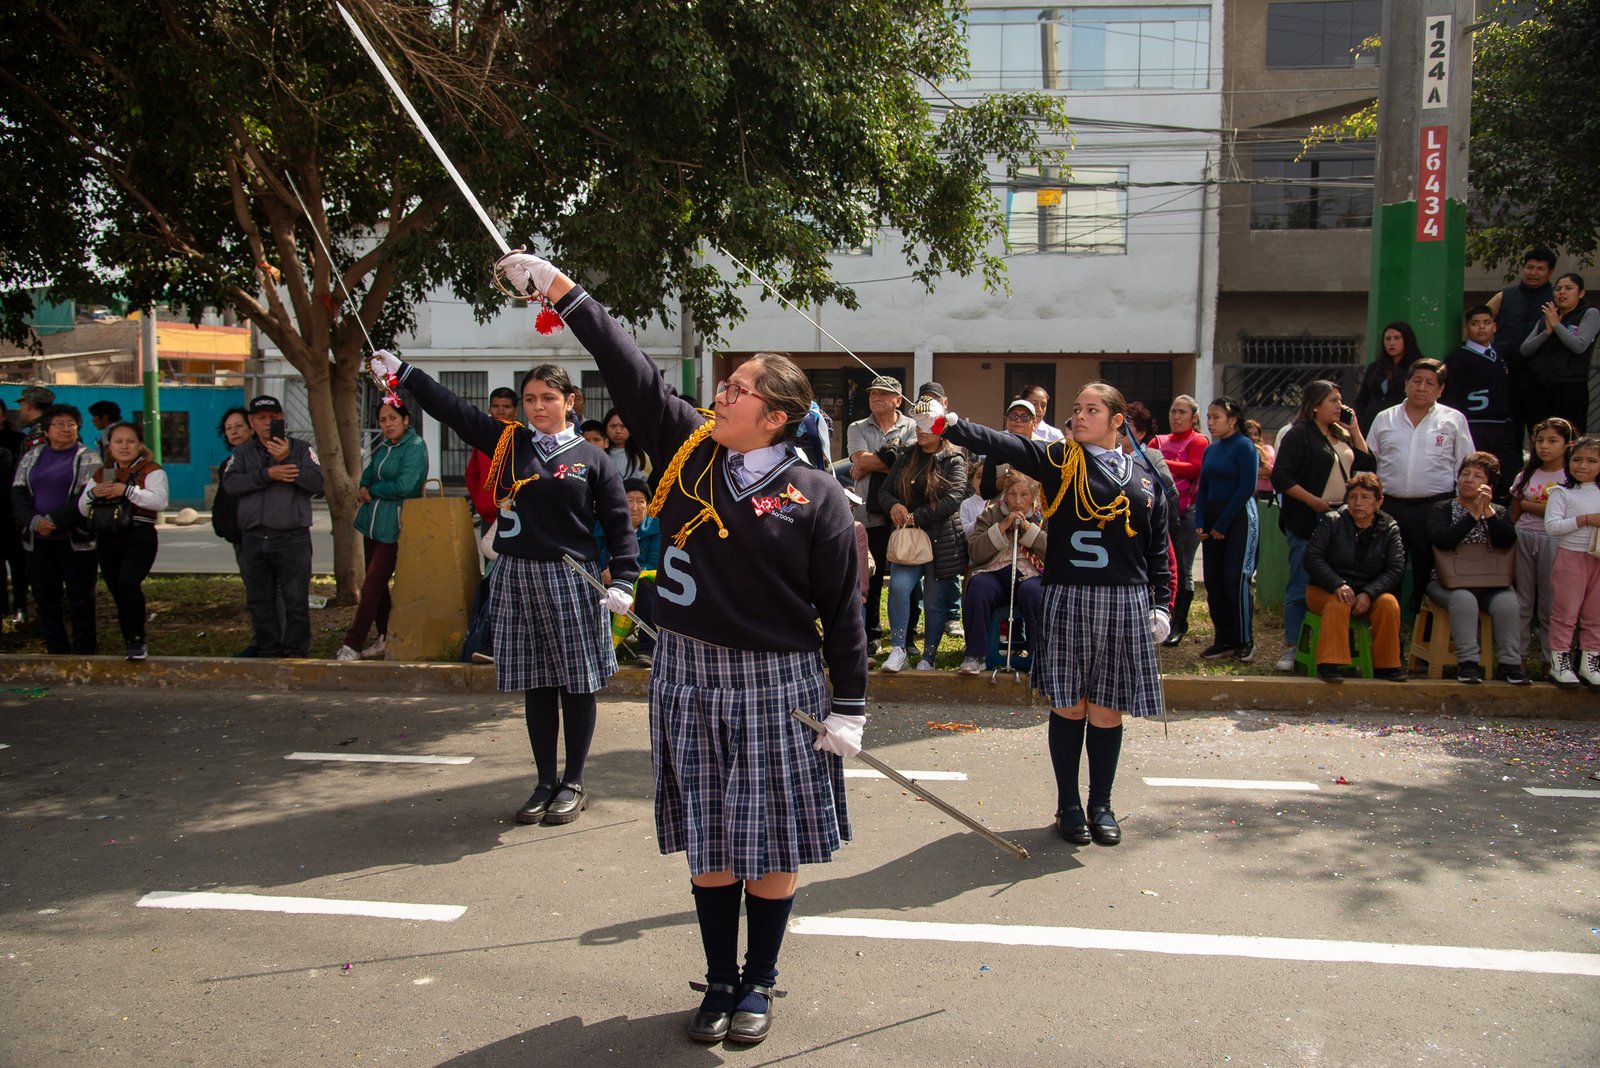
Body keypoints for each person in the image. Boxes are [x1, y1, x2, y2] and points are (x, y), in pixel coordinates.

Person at [494, 250, 866, 1048]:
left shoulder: (819, 495)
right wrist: (561, 288)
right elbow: (629, 369)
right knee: (710, 835)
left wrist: (851, 707)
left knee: (766, 839)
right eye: (723, 385)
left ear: (776, 416)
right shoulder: (693, 452)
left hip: (779, 683)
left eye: (737, 391)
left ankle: (759, 980)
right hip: (687, 674)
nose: (720, 395)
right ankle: (719, 979)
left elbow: (843, 611)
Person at [381, 354, 638, 827]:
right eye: (529, 400)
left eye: (548, 398)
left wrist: (624, 578)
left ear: (570, 401)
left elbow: (620, 525)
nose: (538, 408)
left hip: (570, 577)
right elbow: (454, 410)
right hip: (516, 574)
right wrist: (407, 373)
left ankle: (574, 780)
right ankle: (544, 781)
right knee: (537, 683)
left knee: (575, 683)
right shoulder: (508, 443)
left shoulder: (592, 458)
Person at [936, 382, 1170, 849]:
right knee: (1070, 705)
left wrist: (1161, 605)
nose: (1079, 416)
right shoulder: (1063, 462)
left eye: (1092, 410)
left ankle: (1101, 804)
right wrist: (955, 425)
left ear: (1117, 420)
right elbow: (1009, 444)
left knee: (1106, 711)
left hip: (1124, 602)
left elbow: (1158, 550)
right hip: (1069, 595)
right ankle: (1068, 805)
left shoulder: (1146, 479)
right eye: (1077, 409)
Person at [1269, 381, 1375, 672]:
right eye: (1332, 400)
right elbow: (1281, 477)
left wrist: (1354, 429)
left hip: (1343, 519)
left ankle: (1335, 645)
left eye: (1340, 400)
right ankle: (1292, 645)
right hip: (1309, 517)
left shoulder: (1340, 434)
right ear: (1315, 404)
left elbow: (1366, 466)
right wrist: (1313, 501)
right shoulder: (1299, 435)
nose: (1338, 406)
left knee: (1340, 580)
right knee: (1301, 580)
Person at [1367, 359, 1476, 614]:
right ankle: (1389, 633)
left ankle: (1423, 634)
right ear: (1406, 384)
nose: (1421, 387)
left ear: (1440, 390)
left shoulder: (1453, 420)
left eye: (1430, 383)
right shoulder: (1385, 418)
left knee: (1428, 571)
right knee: (1387, 568)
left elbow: (1465, 464)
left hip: (1434, 508)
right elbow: (1369, 464)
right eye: (1416, 381)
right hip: (1390, 507)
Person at [222, 395, 324, 658]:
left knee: (295, 600)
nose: (268, 423)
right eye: (261, 418)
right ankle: (268, 650)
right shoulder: (242, 453)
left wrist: (288, 460)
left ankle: (295, 651)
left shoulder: (301, 449)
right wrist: (267, 475)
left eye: (273, 418)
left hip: (292, 538)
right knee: (259, 601)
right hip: (254, 537)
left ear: (282, 420)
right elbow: (231, 484)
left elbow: (318, 483)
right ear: (251, 423)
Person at [878, 402, 968, 672]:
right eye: (917, 424)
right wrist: (893, 505)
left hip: (942, 540)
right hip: (909, 540)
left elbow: (953, 499)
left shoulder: (955, 458)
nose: (921, 430)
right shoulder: (906, 455)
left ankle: (929, 656)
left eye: (927, 425)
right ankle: (897, 648)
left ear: (942, 427)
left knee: (933, 601)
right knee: (898, 588)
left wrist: (918, 516)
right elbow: (884, 491)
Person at [335, 401, 427, 662]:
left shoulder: (415, 447)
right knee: (379, 587)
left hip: (393, 525)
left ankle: (352, 644)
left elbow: (406, 485)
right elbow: (368, 473)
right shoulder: (384, 446)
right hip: (371, 523)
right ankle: (385, 637)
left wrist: (374, 490)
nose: (387, 424)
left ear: (406, 420)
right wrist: (365, 485)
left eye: (392, 418)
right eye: (383, 420)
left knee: (371, 585)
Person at [1425, 452, 1524, 685]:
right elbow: (1442, 541)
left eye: (1477, 476)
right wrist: (1472, 515)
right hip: (1446, 582)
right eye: (1464, 474)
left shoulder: (1498, 512)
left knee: (1508, 602)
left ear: (1489, 485)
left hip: (1491, 582)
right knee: (1464, 599)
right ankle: (1468, 663)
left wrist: (1487, 513)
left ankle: (1510, 664)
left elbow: (1507, 540)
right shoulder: (1443, 508)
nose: (1468, 480)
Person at [10, 404, 99, 653]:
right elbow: (18, 492)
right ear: (46, 430)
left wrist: (56, 520)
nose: (66, 429)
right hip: (37, 540)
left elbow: (89, 496)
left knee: (81, 598)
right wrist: (35, 521)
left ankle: (84, 652)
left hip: (76, 540)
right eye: (59, 424)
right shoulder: (32, 455)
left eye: (71, 424)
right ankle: (56, 650)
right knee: (46, 597)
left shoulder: (88, 457)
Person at [1303, 472, 1406, 681]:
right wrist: (1337, 584)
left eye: (1365, 497)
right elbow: (1312, 558)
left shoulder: (1389, 528)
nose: (1358, 503)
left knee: (1389, 604)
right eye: (1353, 497)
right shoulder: (1332, 521)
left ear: (1378, 501)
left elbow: (1395, 568)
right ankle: (1330, 664)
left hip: (1368, 592)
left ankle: (1387, 666)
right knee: (1338, 603)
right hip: (1325, 590)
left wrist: (1370, 593)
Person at [78, 421, 167, 660]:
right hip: (108, 537)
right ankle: (129, 640)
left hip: (140, 535)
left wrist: (126, 490)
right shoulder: (102, 472)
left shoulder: (152, 470)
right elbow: (83, 508)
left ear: (140, 444)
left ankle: (137, 640)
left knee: (128, 583)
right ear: (109, 445)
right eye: (118, 441)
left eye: (130, 441)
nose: (124, 446)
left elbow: (159, 502)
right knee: (118, 591)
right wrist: (93, 494)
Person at [847, 374, 916, 648]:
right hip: (868, 513)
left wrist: (870, 463)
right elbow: (858, 458)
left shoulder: (912, 426)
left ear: (898, 400)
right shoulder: (857, 427)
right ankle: (872, 635)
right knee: (870, 577)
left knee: (908, 577)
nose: (876, 398)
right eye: (872, 393)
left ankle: (908, 636)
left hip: (904, 512)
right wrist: (889, 460)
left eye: (883, 394)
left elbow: (912, 465)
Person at [958, 470, 1046, 675]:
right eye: (1012, 494)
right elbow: (975, 551)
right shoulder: (991, 513)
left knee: (1034, 593)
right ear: (1005, 495)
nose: (1017, 500)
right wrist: (1002, 526)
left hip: (1030, 573)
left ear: (1033, 496)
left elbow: (1054, 553)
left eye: (1024, 495)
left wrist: (1028, 530)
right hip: (996, 571)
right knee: (979, 586)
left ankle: (1040, 656)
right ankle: (975, 655)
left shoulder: (1044, 516)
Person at [1193, 398, 1259, 661]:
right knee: (1214, 581)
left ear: (1232, 420)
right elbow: (1204, 487)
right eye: (1208, 417)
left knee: (1236, 579)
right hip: (1212, 516)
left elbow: (1246, 487)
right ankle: (1223, 639)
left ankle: (1244, 640)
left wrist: (1223, 524)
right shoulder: (1211, 449)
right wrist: (1201, 521)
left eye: (1216, 417)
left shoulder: (1245, 447)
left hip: (1238, 517)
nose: (1210, 423)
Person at [1509, 417, 1575, 671]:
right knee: (1522, 601)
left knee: (1551, 603)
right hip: (1524, 539)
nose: (1544, 446)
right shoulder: (1526, 474)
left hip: (1556, 542)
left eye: (1553, 441)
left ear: (1568, 445)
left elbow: (1563, 513)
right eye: (1540, 441)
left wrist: (1529, 506)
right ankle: (1519, 657)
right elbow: (1515, 509)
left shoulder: (1571, 476)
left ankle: (1551, 660)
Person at [1541, 435, 1600, 687]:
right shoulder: (1561, 492)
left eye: (1591, 461)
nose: (1583, 466)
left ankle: (1590, 663)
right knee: (1566, 614)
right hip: (1570, 559)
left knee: (1595, 615)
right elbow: (1552, 527)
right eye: (1577, 459)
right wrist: (1586, 520)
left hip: (1597, 558)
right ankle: (1559, 664)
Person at [1442, 305, 1519, 499]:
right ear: (1467, 328)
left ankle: (1498, 516)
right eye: (1475, 323)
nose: (1481, 327)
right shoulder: (1456, 359)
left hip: (1502, 426)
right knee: (1475, 475)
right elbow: (1450, 397)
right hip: (1473, 425)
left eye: (1487, 322)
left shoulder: (1501, 356)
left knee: (1507, 475)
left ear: (1495, 326)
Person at [209, 406, 266, 657]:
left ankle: (274, 643)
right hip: (240, 539)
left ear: (251, 428)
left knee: (270, 592)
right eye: (229, 428)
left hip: (262, 536)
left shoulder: (263, 459)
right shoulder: (227, 464)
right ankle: (259, 641)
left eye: (239, 426)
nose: (233, 432)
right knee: (254, 593)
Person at [1488, 247, 1557, 439]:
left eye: (1540, 269)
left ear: (1550, 272)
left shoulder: (1557, 299)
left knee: (1544, 438)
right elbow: (1478, 324)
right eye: (1530, 267)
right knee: (1509, 438)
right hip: (1507, 379)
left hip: (1543, 382)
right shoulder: (1503, 296)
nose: (1533, 273)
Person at [1518, 273, 1598, 433]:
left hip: (1570, 387)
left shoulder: (1590, 313)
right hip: (1542, 387)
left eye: (1569, 288)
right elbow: (1525, 349)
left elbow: (1579, 346)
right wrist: (1546, 333)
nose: (1562, 292)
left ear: (1581, 293)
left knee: (1569, 437)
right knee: (1542, 435)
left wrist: (1556, 325)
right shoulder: (1548, 315)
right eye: (1558, 288)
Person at [1156, 395, 1207, 646]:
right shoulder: (1160, 440)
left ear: (1194, 417)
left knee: (1183, 566)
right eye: (1173, 411)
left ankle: (1179, 622)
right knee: (1163, 566)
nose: (1176, 417)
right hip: (1159, 510)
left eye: (1182, 412)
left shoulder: (1198, 440)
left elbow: (1195, 467)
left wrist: (1162, 462)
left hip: (1187, 512)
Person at [599, 477, 661, 667]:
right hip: (607, 581)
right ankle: (602, 648)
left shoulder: (656, 528)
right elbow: (597, 556)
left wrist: (623, 576)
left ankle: (647, 649)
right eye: (629, 500)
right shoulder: (605, 526)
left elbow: (653, 564)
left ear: (648, 505)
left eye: (640, 501)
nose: (634, 506)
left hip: (642, 583)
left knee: (645, 584)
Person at [1353, 321, 1424, 433]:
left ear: (1406, 340)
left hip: (1400, 425)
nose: (1392, 343)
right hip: (1369, 424)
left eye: (1396, 338)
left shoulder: (1417, 368)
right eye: (1388, 339)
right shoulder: (1375, 367)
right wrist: (1360, 420)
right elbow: (1362, 399)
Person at [465, 387, 518, 532]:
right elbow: (472, 475)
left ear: (515, 411)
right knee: (489, 554)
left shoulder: (522, 440)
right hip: (487, 518)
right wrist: (480, 501)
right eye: (495, 406)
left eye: (506, 407)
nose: (500, 411)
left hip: (515, 518)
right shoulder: (481, 441)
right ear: (489, 409)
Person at [0, 397, 26, 626]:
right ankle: (3, 609)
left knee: (18, 563)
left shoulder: (18, 441)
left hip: (13, 512)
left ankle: (20, 606)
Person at [602, 406, 652, 482]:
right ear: (605, 428)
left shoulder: (640, 456)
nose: (618, 431)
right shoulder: (600, 453)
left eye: (623, 426)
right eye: (613, 426)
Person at [1243, 418, 1276, 502]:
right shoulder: (1240, 452)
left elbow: (1269, 471)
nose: (1253, 437)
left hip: (1266, 496)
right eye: (1249, 434)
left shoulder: (1266, 450)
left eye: (1256, 434)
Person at [16, 385, 55, 453]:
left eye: (21, 405)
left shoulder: (39, 431)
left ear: (28, 406)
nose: (20, 410)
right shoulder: (56, 426)